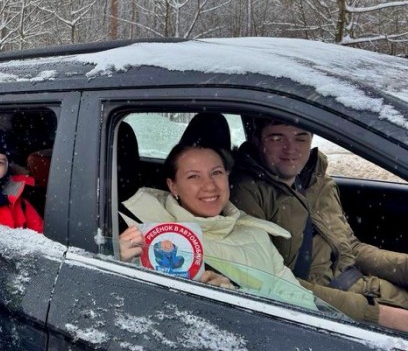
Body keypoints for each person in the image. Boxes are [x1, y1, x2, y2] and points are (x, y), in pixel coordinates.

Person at [230, 118, 408, 331]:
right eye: (277, 137)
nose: (291, 148)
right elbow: (273, 282)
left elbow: (351, 248)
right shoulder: (245, 192)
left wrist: (404, 267)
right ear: (258, 141)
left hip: (366, 287)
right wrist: (375, 313)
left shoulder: (318, 180)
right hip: (326, 314)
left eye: (301, 137)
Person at [118, 143, 318, 311]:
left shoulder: (253, 230)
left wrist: (240, 296)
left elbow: (302, 304)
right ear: (173, 186)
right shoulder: (148, 236)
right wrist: (120, 262)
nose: (210, 185)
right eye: (193, 176)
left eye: (216, 173)